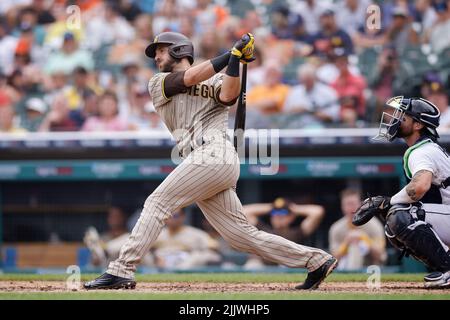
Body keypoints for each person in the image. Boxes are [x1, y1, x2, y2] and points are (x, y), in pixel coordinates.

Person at [84, 31, 337, 290]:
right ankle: (316, 260)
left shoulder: (218, 77)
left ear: (179, 50)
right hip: (204, 161)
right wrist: (232, 54)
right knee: (240, 237)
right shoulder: (157, 83)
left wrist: (235, 62)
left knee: (157, 203)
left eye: (161, 50)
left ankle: (121, 269)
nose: (156, 57)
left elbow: (228, 96)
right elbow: (190, 78)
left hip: (214, 153)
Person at [358, 96, 450, 289]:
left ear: (417, 125)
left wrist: (388, 201)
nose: (394, 119)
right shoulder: (424, 148)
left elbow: (419, 188)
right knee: (394, 224)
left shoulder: (422, 151)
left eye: (402, 116)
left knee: (403, 215)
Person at [243, 197, 325, 268]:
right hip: (263, 266)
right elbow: (244, 211)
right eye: (274, 213)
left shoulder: (297, 232)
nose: (278, 216)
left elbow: (317, 211)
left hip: (287, 266)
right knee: (252, 264)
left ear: (291, 217)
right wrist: (271, 207)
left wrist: (293, 208)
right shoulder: (263, 229)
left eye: (283, 213)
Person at [329, 188, 386, 270]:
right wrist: (347, 242)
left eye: (353, 204)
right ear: (342, 207)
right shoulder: (336, 228)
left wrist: (363, 238)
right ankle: (352, 274)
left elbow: (380, 255)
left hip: (372, 269)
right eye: (348, 204)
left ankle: (352, 273)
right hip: (343, 268)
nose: (351, 208)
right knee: (353, 245)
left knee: (357, 244)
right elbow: (333, 259)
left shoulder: (373, 225)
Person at [149, 209, 221, 269]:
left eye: (175, 216)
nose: (171, 219)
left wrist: (193, 253)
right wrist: (155, 258)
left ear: (183, 216)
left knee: (205, 255)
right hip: (160, 261)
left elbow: (214, 246)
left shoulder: (195, 233)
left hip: (185, 261)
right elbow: (144, 248)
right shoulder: (158, 233)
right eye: (168, 216)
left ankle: (182, 274)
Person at [283, 63, 340, 128]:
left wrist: (311, 112)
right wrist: (294, 111)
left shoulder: (327, 92)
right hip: (298, 129)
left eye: (309, 80)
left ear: (314, 78)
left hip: (323, 128)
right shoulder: (294, 92)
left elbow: (335, 115)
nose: (306, 83)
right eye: (304, 80)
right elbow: (285, 113)